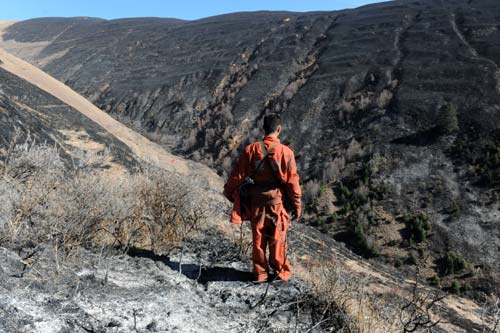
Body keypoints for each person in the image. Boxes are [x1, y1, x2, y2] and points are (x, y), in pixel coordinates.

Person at [223, 113, 302, 283]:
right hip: (277, 203)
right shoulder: (286, 153)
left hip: (256, 201)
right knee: (277, 238)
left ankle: (260, 273)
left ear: (263, 129)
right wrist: (297, 205)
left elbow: (237, 176)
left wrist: (229, 192)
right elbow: (293, 183)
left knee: (258, 238)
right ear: (278, 130)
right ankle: (281, 273)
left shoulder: (251, 150)